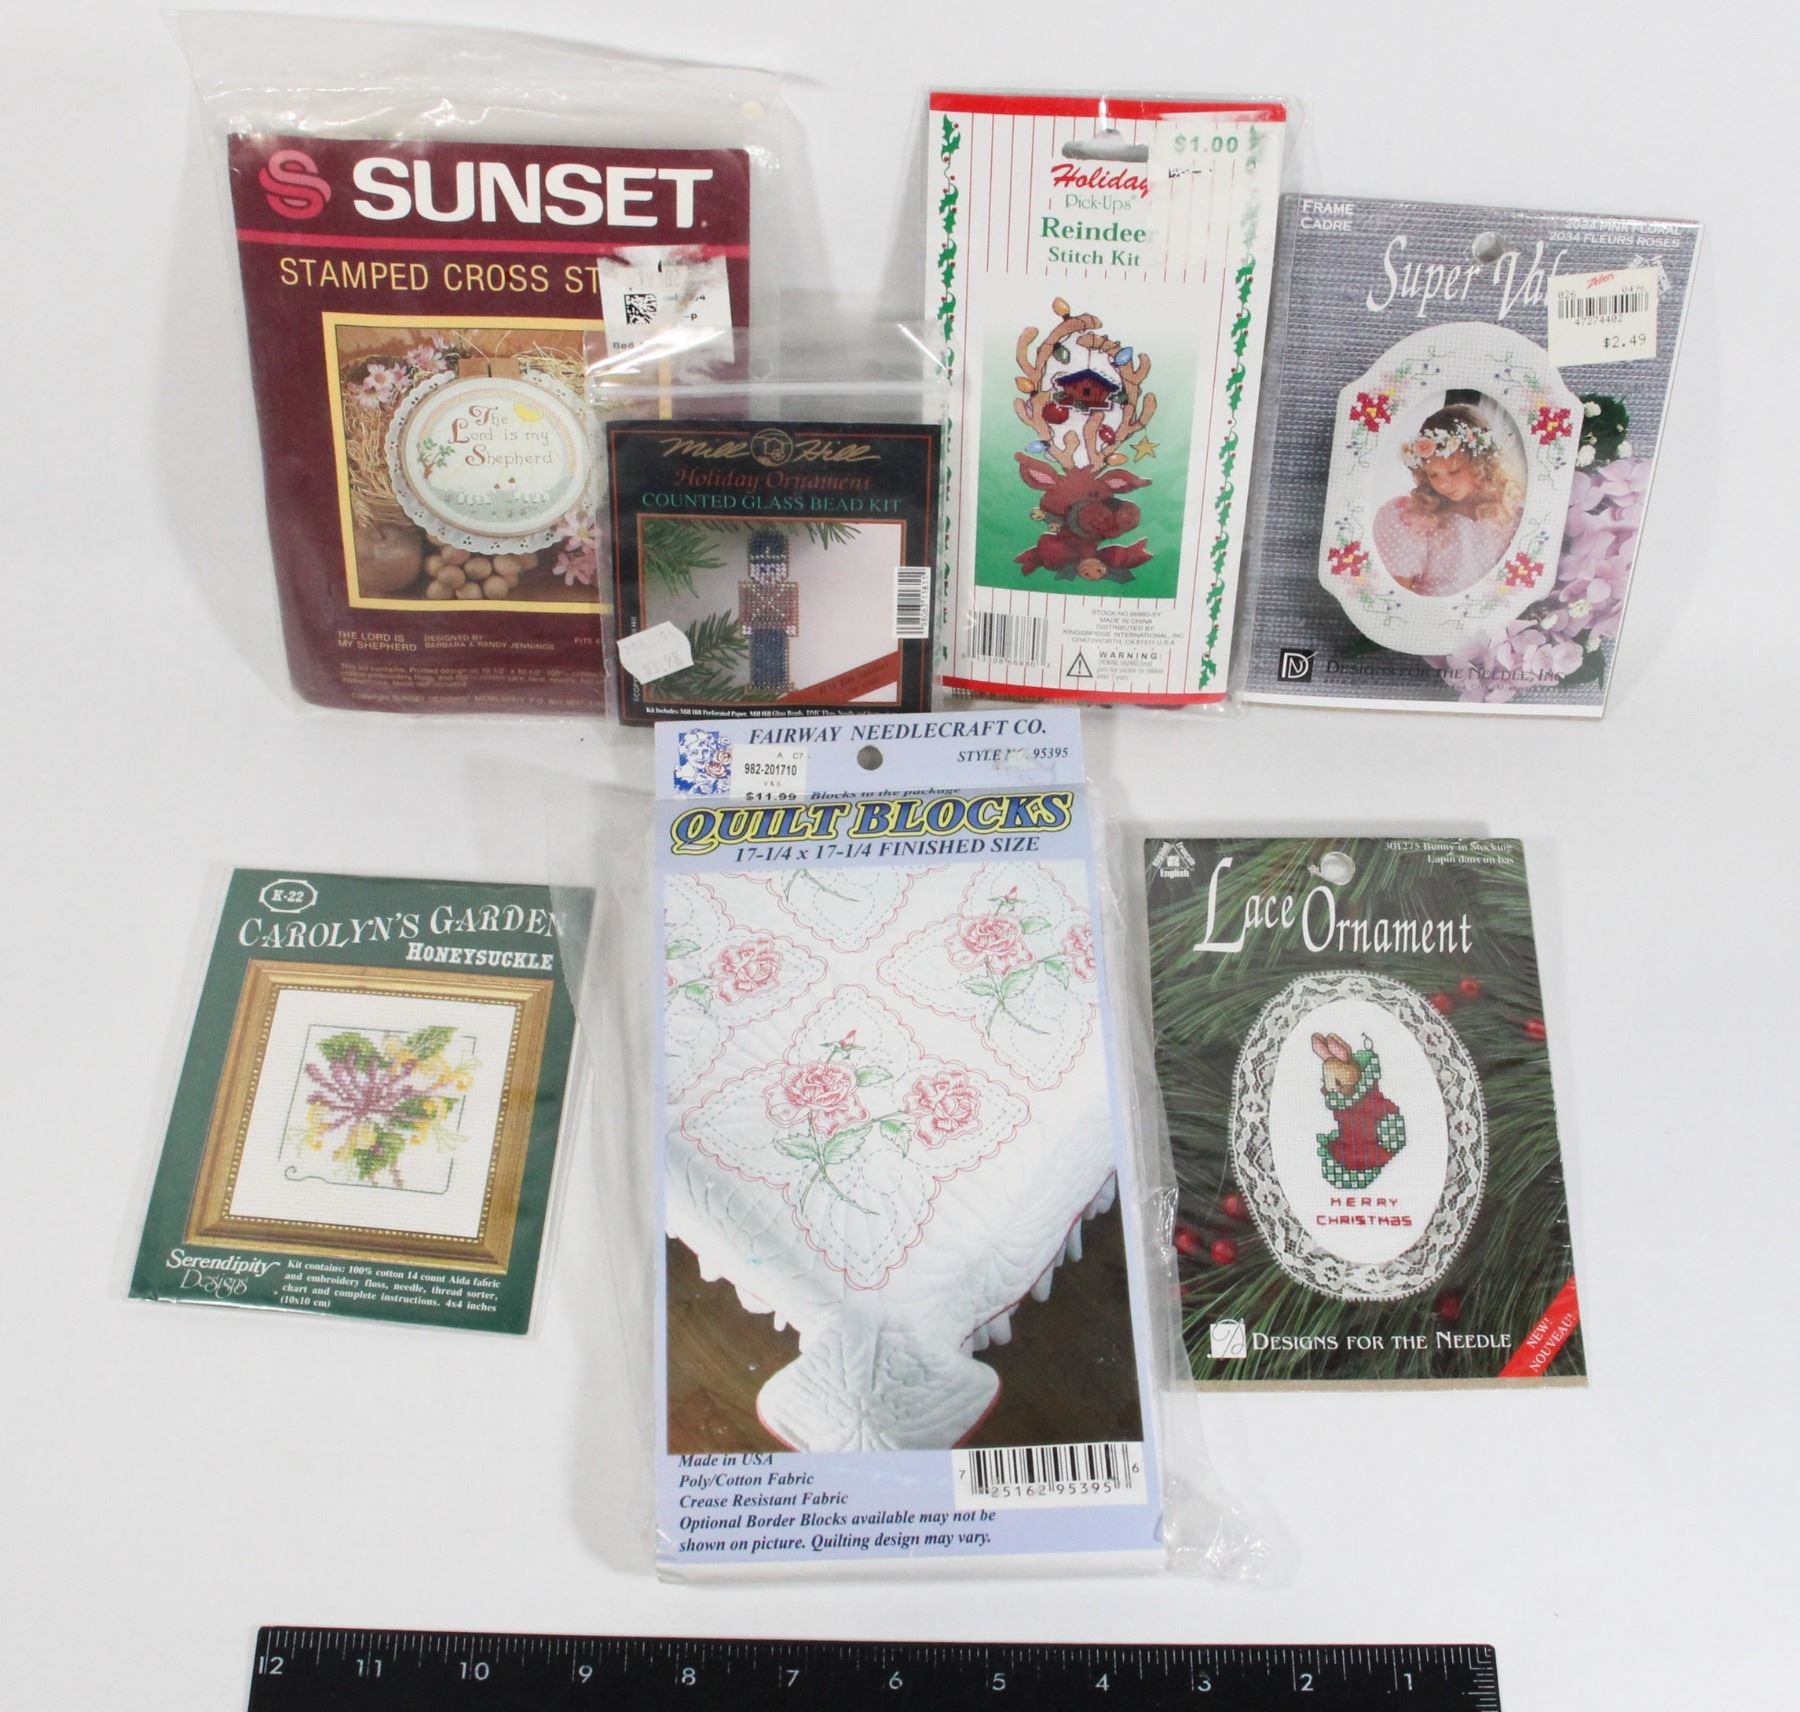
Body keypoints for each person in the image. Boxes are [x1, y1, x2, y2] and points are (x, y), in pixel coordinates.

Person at [1373, 401, 1523, 596]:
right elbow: (1398, 591)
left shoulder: (1511, 514)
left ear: (1481, 464)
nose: (1442, 484)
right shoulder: (1416, 517)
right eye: (1433, 474)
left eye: (1454, 471)